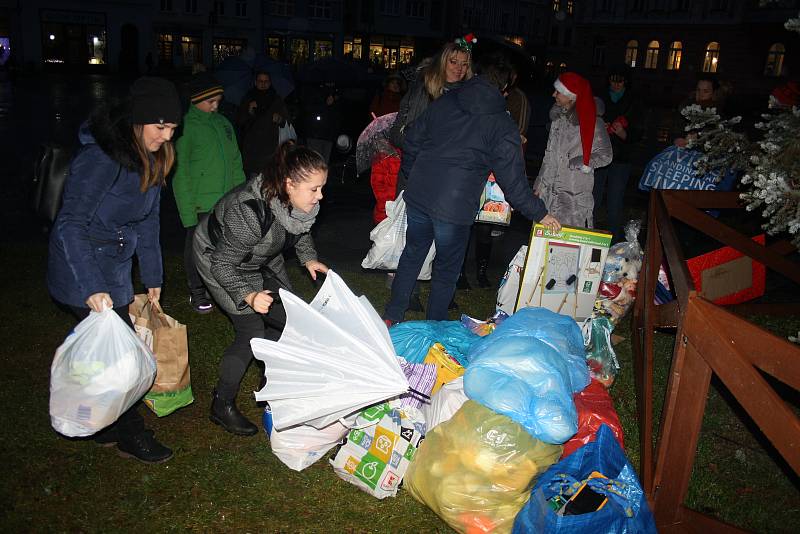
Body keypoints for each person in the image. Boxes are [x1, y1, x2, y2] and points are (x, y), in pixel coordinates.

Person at [47, 76, 181, 463]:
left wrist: (153, 276)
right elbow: (70, 223)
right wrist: (89, 285)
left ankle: (99, 423)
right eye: (160, 126)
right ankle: (130, 434)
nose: (167, 136)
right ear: (136, 121)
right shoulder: (101, 158)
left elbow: (148, 221)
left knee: (101, 360)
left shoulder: (153, 157)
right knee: (119, 363)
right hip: (80, 269)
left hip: (116, 269)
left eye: (173, 128)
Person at [382, 53, 561, 325]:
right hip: (453, 207)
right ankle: (434, 329)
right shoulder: (502, 124)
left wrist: (413, 174)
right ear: (505, 89)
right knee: (446, 270)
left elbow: (413, 139)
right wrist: (540, 213)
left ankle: (392, 317)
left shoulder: (447, 101)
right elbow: (513, 181)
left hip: (420, 194)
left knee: (412, 255)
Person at [193, 142, 329, 436]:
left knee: (289, 319)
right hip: (218, 259)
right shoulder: (250, 211)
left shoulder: (294, 200)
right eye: (314, 189)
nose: (320, 196)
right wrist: (249, 295)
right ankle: (221, 404)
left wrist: (308, 258)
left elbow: (300, 228)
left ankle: (270, 380)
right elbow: (223, 264)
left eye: (321, 188)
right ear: (289, 184)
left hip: (259, 257)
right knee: (251, 331)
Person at [383, 37, 474, 310]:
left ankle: (437, 300)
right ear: (443, 60)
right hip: (419, 177)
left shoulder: (469, 95)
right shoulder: (425, 89)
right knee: (413, 246)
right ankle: (400, 303)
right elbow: (399, 133)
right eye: (453, 62)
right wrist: (428, 145)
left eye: (464, 64)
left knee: (442, 250)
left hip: (450, 184)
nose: (458, 69)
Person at [173, 73, 246, 314]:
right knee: (197, 249)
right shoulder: (186, 127)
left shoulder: (223, 123)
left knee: (225, 248)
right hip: (199, 203)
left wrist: (241, 196)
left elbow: (235, 162)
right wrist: (187, 211)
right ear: (196, 99)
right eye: (211, 101)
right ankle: (197, 291)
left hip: (225, 201)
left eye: (218, 100)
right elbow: (179, 171)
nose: (215, 105)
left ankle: (222, 288)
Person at [533, 72, 613, 228]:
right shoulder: (558, 120)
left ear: (572, 96)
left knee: (567, 246)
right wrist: (540, 185)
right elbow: (548, 156)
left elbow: (606, 155)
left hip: (573, 198)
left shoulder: (593, 122)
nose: (553, 94)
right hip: (549, 194)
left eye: (558, 91)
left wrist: (583, 161)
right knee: (544, 244)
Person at [593, 65, 644, 243]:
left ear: (626, 82)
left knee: (615, 201)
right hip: (599, 155)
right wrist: (601, 127)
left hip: (621, 158)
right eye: (613, 80)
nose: (615, 84)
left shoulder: (634, 101)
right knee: (593, 197)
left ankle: (614, 243)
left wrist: (624, 134)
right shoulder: (600, 97)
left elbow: (639, 131)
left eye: (620, 81)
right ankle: (587, 235)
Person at [236, 71, 290, 176]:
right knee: (254, 182)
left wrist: (280, 119)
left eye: (266, 81)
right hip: (253, 149)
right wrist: (249, 111)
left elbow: (287, 121)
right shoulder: (248, 98)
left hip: (271, 148)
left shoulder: (276, 99)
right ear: (255, 82)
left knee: (269, 180)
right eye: (260, 81)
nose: (263, 84)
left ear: (270, 83)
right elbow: (240, 121)